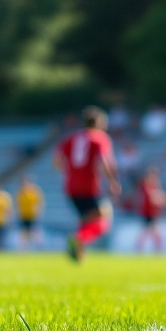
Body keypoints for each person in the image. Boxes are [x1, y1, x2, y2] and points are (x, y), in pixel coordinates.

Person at [55, 105, 120, 263]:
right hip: (88, 186)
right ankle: (78, 239)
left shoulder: (72, 138)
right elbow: (105, 161)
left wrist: (70, 172)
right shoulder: (99, 137)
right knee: (104, 217)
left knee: (86, 219)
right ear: (98, 121)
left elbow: (56, 160)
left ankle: (78, 252)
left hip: (71, 186)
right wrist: (112, 181)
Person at [135, 166, 166, 253]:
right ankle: (153, 252)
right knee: (150, 234)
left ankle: (155, 252)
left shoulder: (154, 186)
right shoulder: (145, 186)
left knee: (154, 235)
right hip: (148, 214)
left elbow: (163, 199)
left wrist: (160, 199)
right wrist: (160, 200)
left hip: (154, 214)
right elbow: (153, 200)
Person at [16, 176, 44, 249]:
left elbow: (39, 203)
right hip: (24, 215)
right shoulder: (21, 193)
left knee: (35, 230)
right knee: (25, 231)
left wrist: (38, 211)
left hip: (32, 214)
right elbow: (18, 204)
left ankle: (38, 246)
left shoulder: (35, 192)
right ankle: (24, 247)